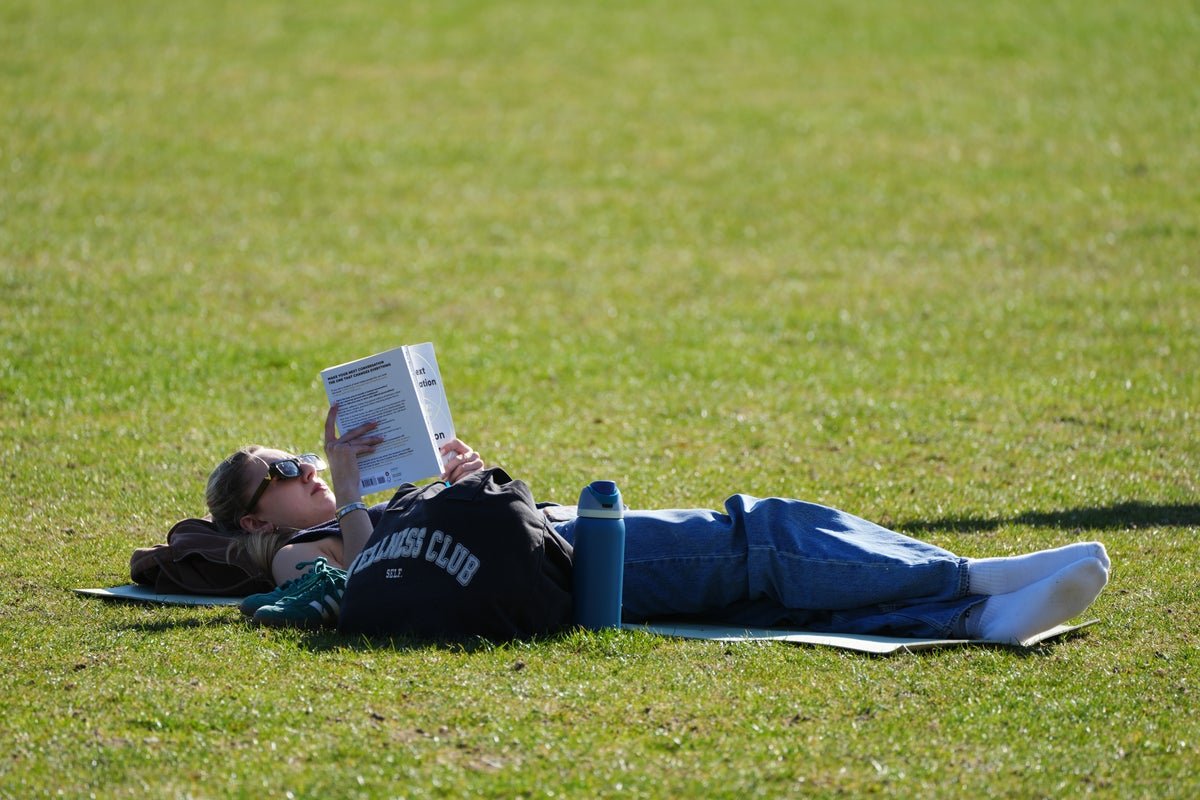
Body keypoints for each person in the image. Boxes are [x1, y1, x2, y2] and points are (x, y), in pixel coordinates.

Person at [204, 405, 1110, 642]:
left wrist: (459, 478)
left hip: (542, 539)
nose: (310, 470)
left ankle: (973, 615)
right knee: (763, 537)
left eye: (310, 460)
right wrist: (358, 492)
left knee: (757, 580)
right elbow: (364, 581)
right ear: (256, 513)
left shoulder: (342, 514)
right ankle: (970, 581)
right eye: (288, 470)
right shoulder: (292, 558)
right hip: (559, 559)